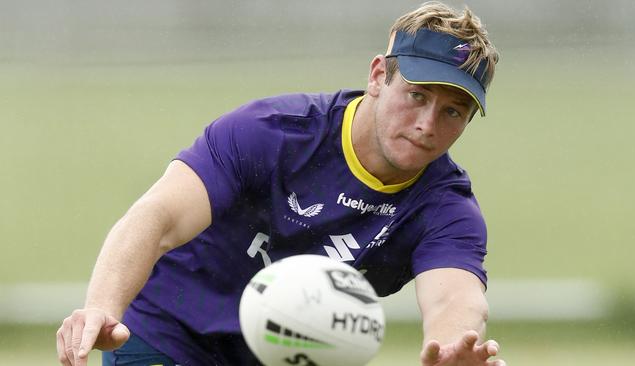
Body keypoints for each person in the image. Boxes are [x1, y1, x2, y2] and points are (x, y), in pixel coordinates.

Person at [56, 1, 505, 365]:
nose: (428, 124)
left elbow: (454, 299)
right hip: (169, 333)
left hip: (285, 356)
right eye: (417, 95)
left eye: (453, 111)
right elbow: (157, 217)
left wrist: (450, 352)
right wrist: (101, 307)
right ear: (377, 77)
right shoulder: (272, 133)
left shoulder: (446, 208)